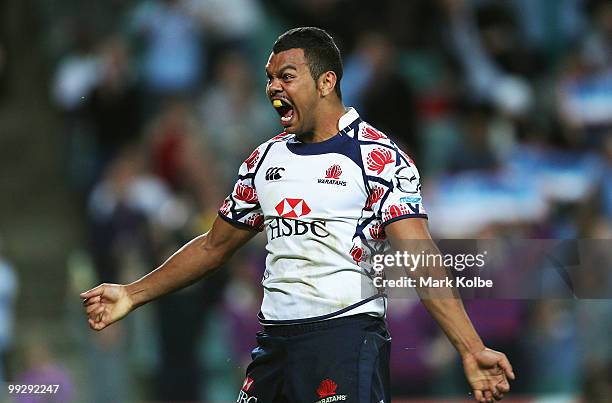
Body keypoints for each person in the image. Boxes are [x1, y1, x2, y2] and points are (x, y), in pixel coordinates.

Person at [81, 27, 514, 403]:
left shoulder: (377, 157)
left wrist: (470, 348)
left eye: (286, 77)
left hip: (344, 340)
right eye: (269, 78)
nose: (273, 88)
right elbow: (214, 247)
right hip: (274, 345)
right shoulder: (263, 160)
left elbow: (419, 256)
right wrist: (133, 294)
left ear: (327, 82)